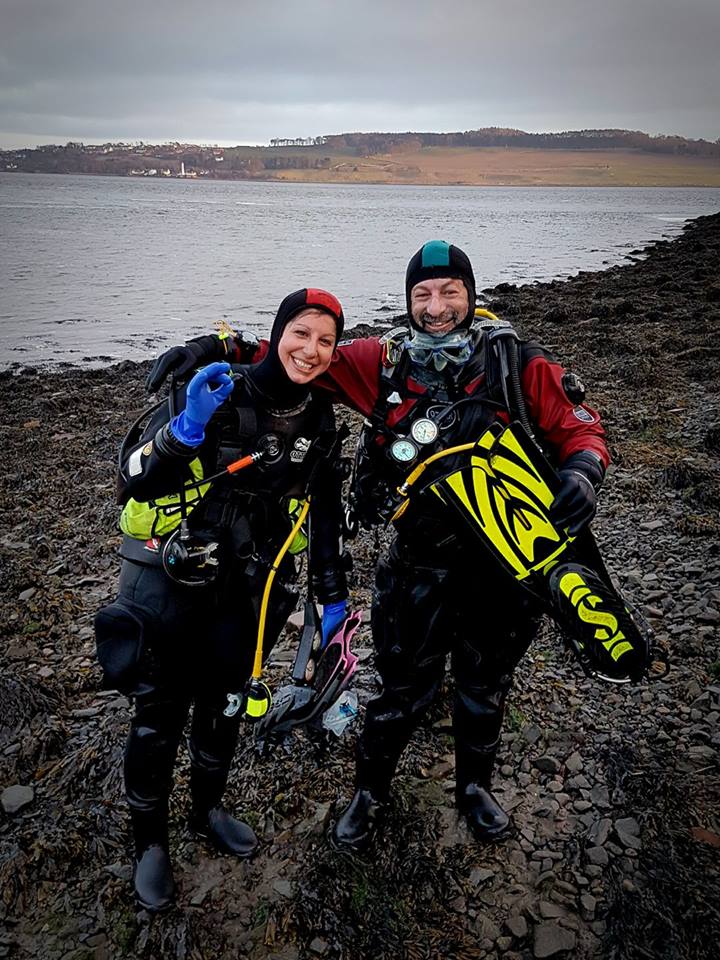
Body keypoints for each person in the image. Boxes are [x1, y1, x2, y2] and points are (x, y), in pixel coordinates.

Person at [147, 241, 609, 853]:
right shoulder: (381, 363)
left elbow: (580, 426)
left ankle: (473, 788)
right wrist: (216, 347)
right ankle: (370, 794)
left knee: (484, 684)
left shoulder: (514, 362)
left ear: (470, 295)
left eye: (449, 292)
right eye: (423, 294)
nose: (436, 307)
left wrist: (581, 472)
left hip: (507, 563)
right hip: (420, 564)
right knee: (402, 690)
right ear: (408, 299)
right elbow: (295, 357)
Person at [95, 288, 350, 911]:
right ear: (278, 332)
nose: (311, 350)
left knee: (226, 708)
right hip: (167, 587)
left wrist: (331, 596)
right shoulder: (214, 388)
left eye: (325, 340)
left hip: (247, 594)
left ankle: (206, 810)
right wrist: (185, 430)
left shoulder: (319, 422)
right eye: (300, 333)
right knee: (157, 721)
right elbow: (133, 475)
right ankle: (149, 842)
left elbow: (321, 514)